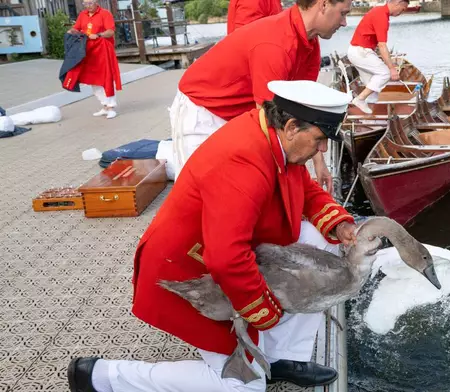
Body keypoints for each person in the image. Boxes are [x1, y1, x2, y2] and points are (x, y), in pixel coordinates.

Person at [67, 80, 358, 392]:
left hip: (220, 255)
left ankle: (279, 357)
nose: (324, 149)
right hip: (186, 272)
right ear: (290, 126)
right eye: (321, 139)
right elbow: (227, 259)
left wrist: (341, 224)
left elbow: (306, 189)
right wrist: (266, 312)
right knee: (243, 386)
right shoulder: (243, 161)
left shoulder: (272, 136)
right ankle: (102, 376)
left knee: (325, 239)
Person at [163, 0, 351, 193]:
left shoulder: (310, 44)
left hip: (236, 111)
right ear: (324, 4)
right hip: (202, 108)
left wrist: (319, 163)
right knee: (198, 189)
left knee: (235, 187)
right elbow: (267, 121)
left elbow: (304, 114)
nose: (344, 22)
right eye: (343, 13)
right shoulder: (275, 43)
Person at [346, 0, 409, 114]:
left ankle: (370, 119)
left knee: (372, 89)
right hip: (360, 52)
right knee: (384, 73)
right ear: (397, 3)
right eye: (403, 8)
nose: (402, 12)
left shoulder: (379, 12)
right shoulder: (381, 16)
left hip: (358, 51)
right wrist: (392, 68)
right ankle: (359, 99)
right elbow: (382, 45)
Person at [66, 0, 120, 119]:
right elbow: (77, 28)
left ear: (96, 2)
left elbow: (110, 31)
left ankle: (111, 107)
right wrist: (71, 31)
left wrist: (99, 35)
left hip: (103, 49)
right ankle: (105, 105)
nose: (87, 6)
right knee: (92, 79)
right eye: (85, 4)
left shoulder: (105, 14)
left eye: (90, 3)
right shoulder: (82, 15)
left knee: (106, 77)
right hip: (88, 50)